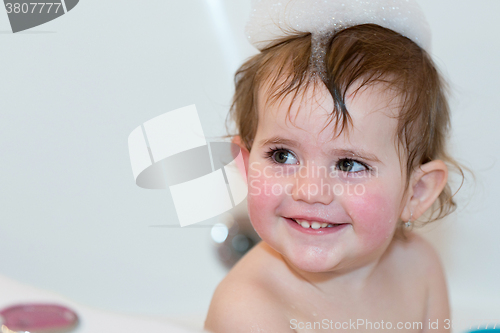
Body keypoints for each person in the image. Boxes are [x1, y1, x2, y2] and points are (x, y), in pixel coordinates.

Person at [205, 1, 464, 332]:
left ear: (416, 191)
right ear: (245, 164)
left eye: (349, 163)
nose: (310, 190)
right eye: (282, 155)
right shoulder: (247, 307)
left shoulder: (420, 266)